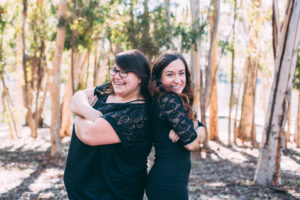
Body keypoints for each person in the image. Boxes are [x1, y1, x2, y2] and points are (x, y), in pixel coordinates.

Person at [64, 49, 153, 200]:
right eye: (115, 70)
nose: (117, 76)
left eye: (125, 72)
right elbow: (76, 98)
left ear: (140, 77)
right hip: (83, 191)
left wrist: (79, 114)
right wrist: (88, 112)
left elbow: (89, 134)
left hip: (113, 193)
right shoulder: (108, 90)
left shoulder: (138, 114)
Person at [146, 52, 206, 200]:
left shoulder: (168, 99)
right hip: (168, 183)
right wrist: (194, 131)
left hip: (171, 180)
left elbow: (202, 132)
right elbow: (192, 144)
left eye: (181, 73)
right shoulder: (168, 99)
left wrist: (193, 128)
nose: (178, 80)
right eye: (170, 74)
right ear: (159, 78)